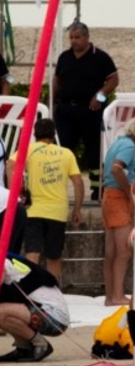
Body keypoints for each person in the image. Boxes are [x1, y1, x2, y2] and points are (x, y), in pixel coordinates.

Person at [50, 21, 118, 181]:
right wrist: (51, 101)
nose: (74, 41)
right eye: (71, 37)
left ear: (87, 37)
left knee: (94, 150)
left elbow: (113, 80)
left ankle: (96, 187)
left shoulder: (100, 57)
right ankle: (59, 183)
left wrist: (100, 96)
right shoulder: (64, 57)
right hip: (67, 111)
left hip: (91, 111)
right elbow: (57, 80)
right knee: (62, 149)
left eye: (77, 37)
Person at [22, 118, 84, 281]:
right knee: (54, 256)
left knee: (32, 254)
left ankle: (30, 289)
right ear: (54, 134)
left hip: (33, 210)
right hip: (57, 212)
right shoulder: (66, 153)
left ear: (35, 134)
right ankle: (53, 290)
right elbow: (78, 182)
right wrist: (77, 209)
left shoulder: (28, 150)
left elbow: (10, 166)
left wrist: (19, 190)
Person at [0, 254, 68, 362]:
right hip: (42, 312)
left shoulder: (3, 263)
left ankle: (40, 345)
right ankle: (24, 347)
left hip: (54, 319)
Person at [101, 116, 135, 304]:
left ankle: (110, 296)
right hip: (118, 198)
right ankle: (117, 295)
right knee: (123, 251)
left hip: (108, 196)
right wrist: (128, 192)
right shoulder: (130, 146)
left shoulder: (118, 143)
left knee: (111, 251)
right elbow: (117, 169)